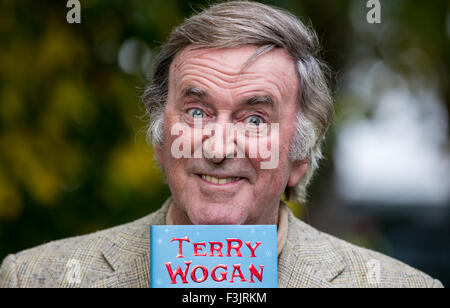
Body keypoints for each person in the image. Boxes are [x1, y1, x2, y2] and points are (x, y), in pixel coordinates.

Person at [0, 1, 443, 288]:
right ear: (160, 141)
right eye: (197, 112)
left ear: (299, 159)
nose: (218, 146)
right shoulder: (38, 279)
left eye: (254, 119)